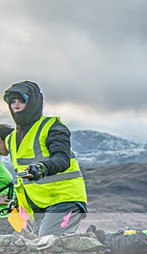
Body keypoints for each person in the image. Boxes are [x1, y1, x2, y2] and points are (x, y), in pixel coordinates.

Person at [0, 81, 88, 236]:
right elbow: (22, 176)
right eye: (12, 102)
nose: (16, 105)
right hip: (37, 205)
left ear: (33, 102)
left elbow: (62, 159)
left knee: (48, 241)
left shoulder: (51, 126)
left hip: (65, 199)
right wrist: (17, 202)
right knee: (35, 247)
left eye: (21, 100)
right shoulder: (11, 139)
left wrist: (41, 168)